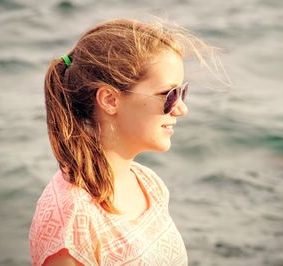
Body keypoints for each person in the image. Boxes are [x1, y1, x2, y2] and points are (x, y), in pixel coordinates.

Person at [29, 18, 214, 265]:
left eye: (182, 92)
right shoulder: (72, 220)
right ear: (110, 100)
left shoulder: (148, 183)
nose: (181, 109)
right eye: (169, 95)